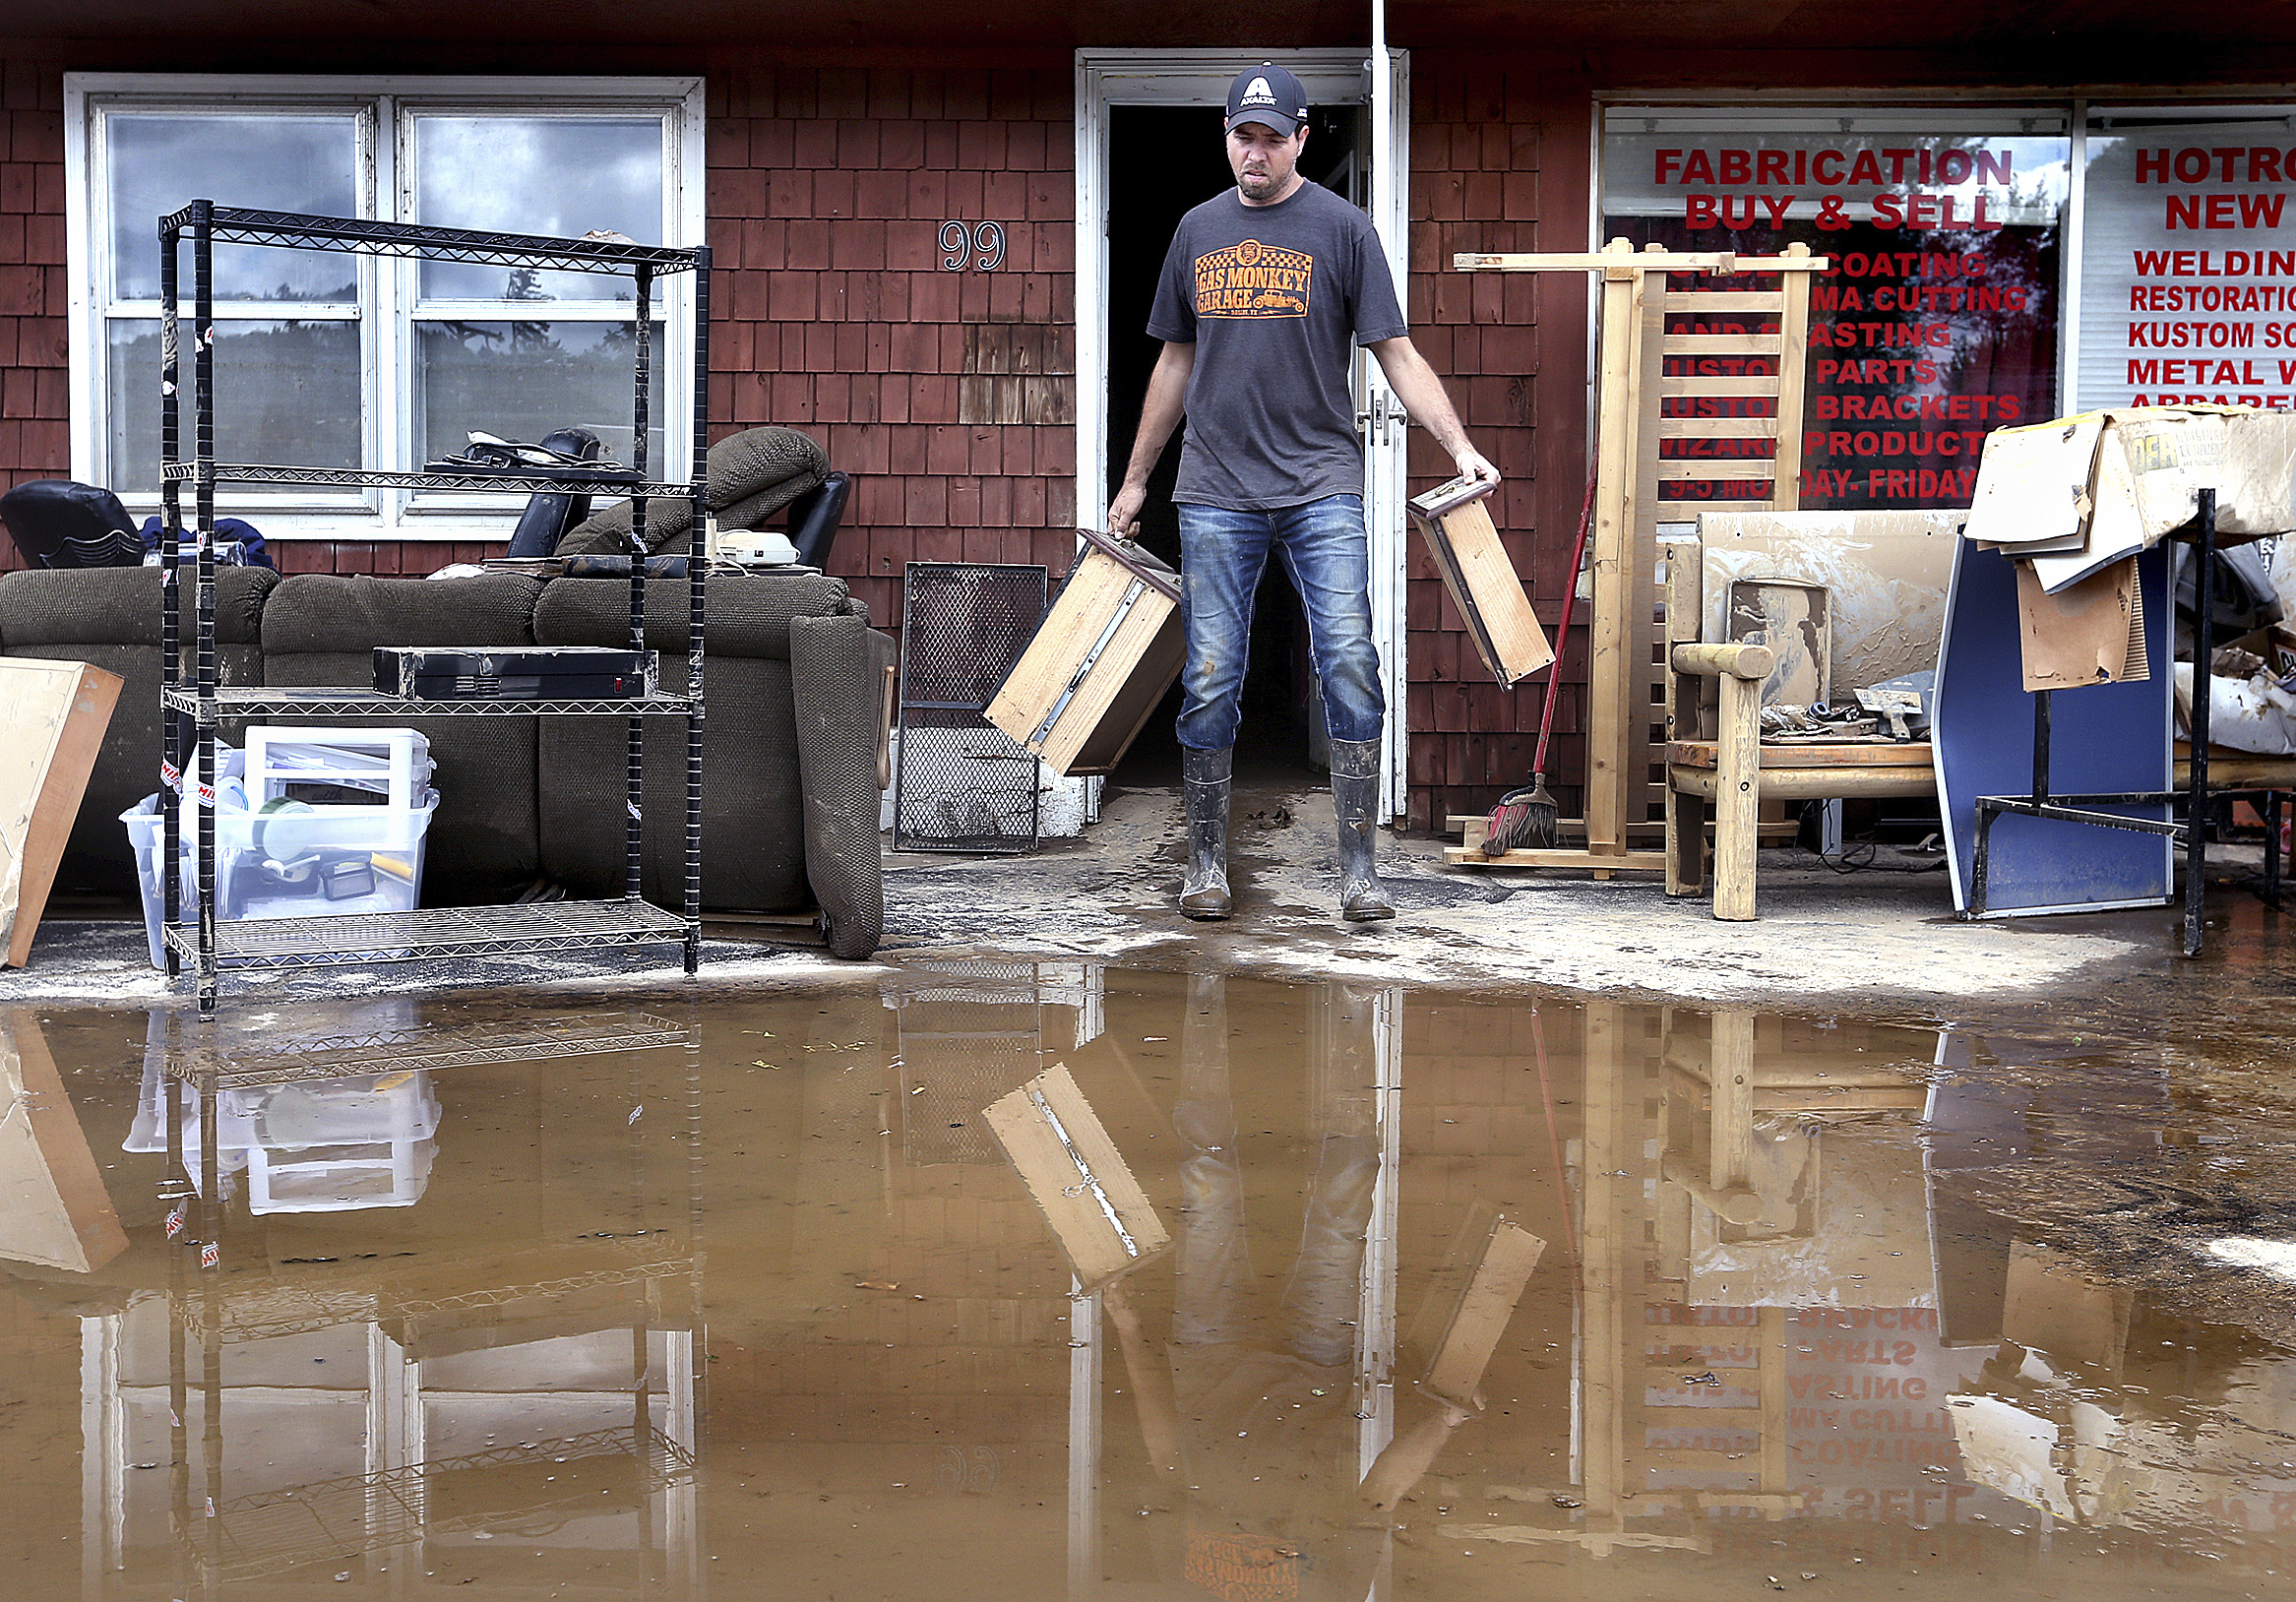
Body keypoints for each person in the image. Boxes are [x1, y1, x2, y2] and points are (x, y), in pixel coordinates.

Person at [1107, 63, 1500, 924]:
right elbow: (1173, 361)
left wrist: (1460, 447)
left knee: (1350, 661)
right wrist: (1135, 480)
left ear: (1300, 138)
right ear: (1226, 137)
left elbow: (1393, 349)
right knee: (1211, 674)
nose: (1255, 151)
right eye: (1241, 135)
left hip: (1320, 485)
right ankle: (1206, 866)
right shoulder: (1194, 231)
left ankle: (1360, 872)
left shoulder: (1342, 228)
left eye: (1271, 136)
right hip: (1213, 488)